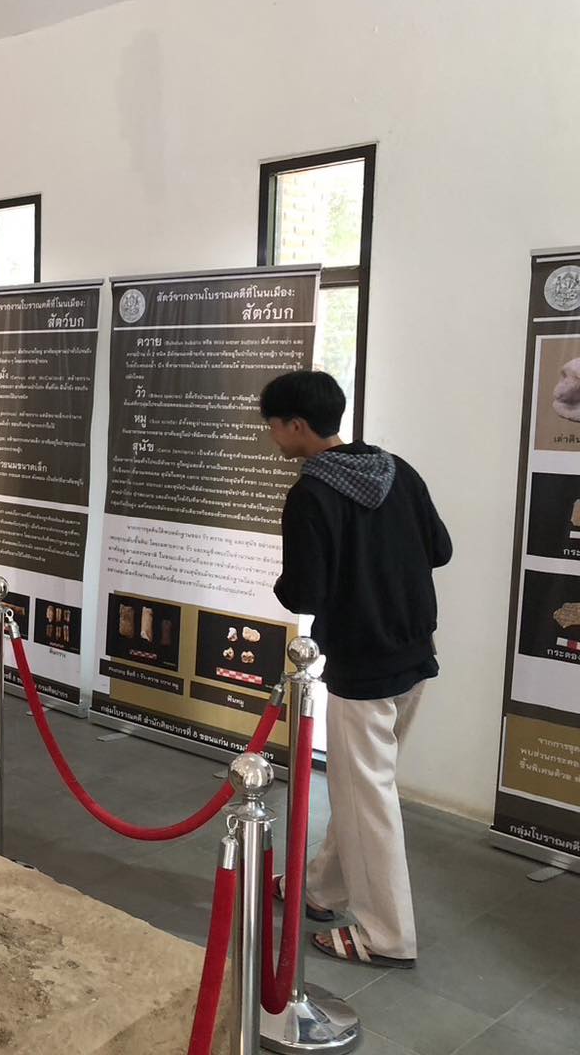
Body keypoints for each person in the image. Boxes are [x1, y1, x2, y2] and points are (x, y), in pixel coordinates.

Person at [261, 370, 451, 970]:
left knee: (368, 797)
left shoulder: (311, 493)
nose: (272, 436)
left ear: (296, 425)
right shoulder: (398, 471)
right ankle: (322, 888)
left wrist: (285, 582)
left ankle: (386, 936)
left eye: (273, 425)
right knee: (363, 786)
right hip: (414, 651)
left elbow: (303, 593)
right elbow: (441, 550)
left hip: (362, 663)